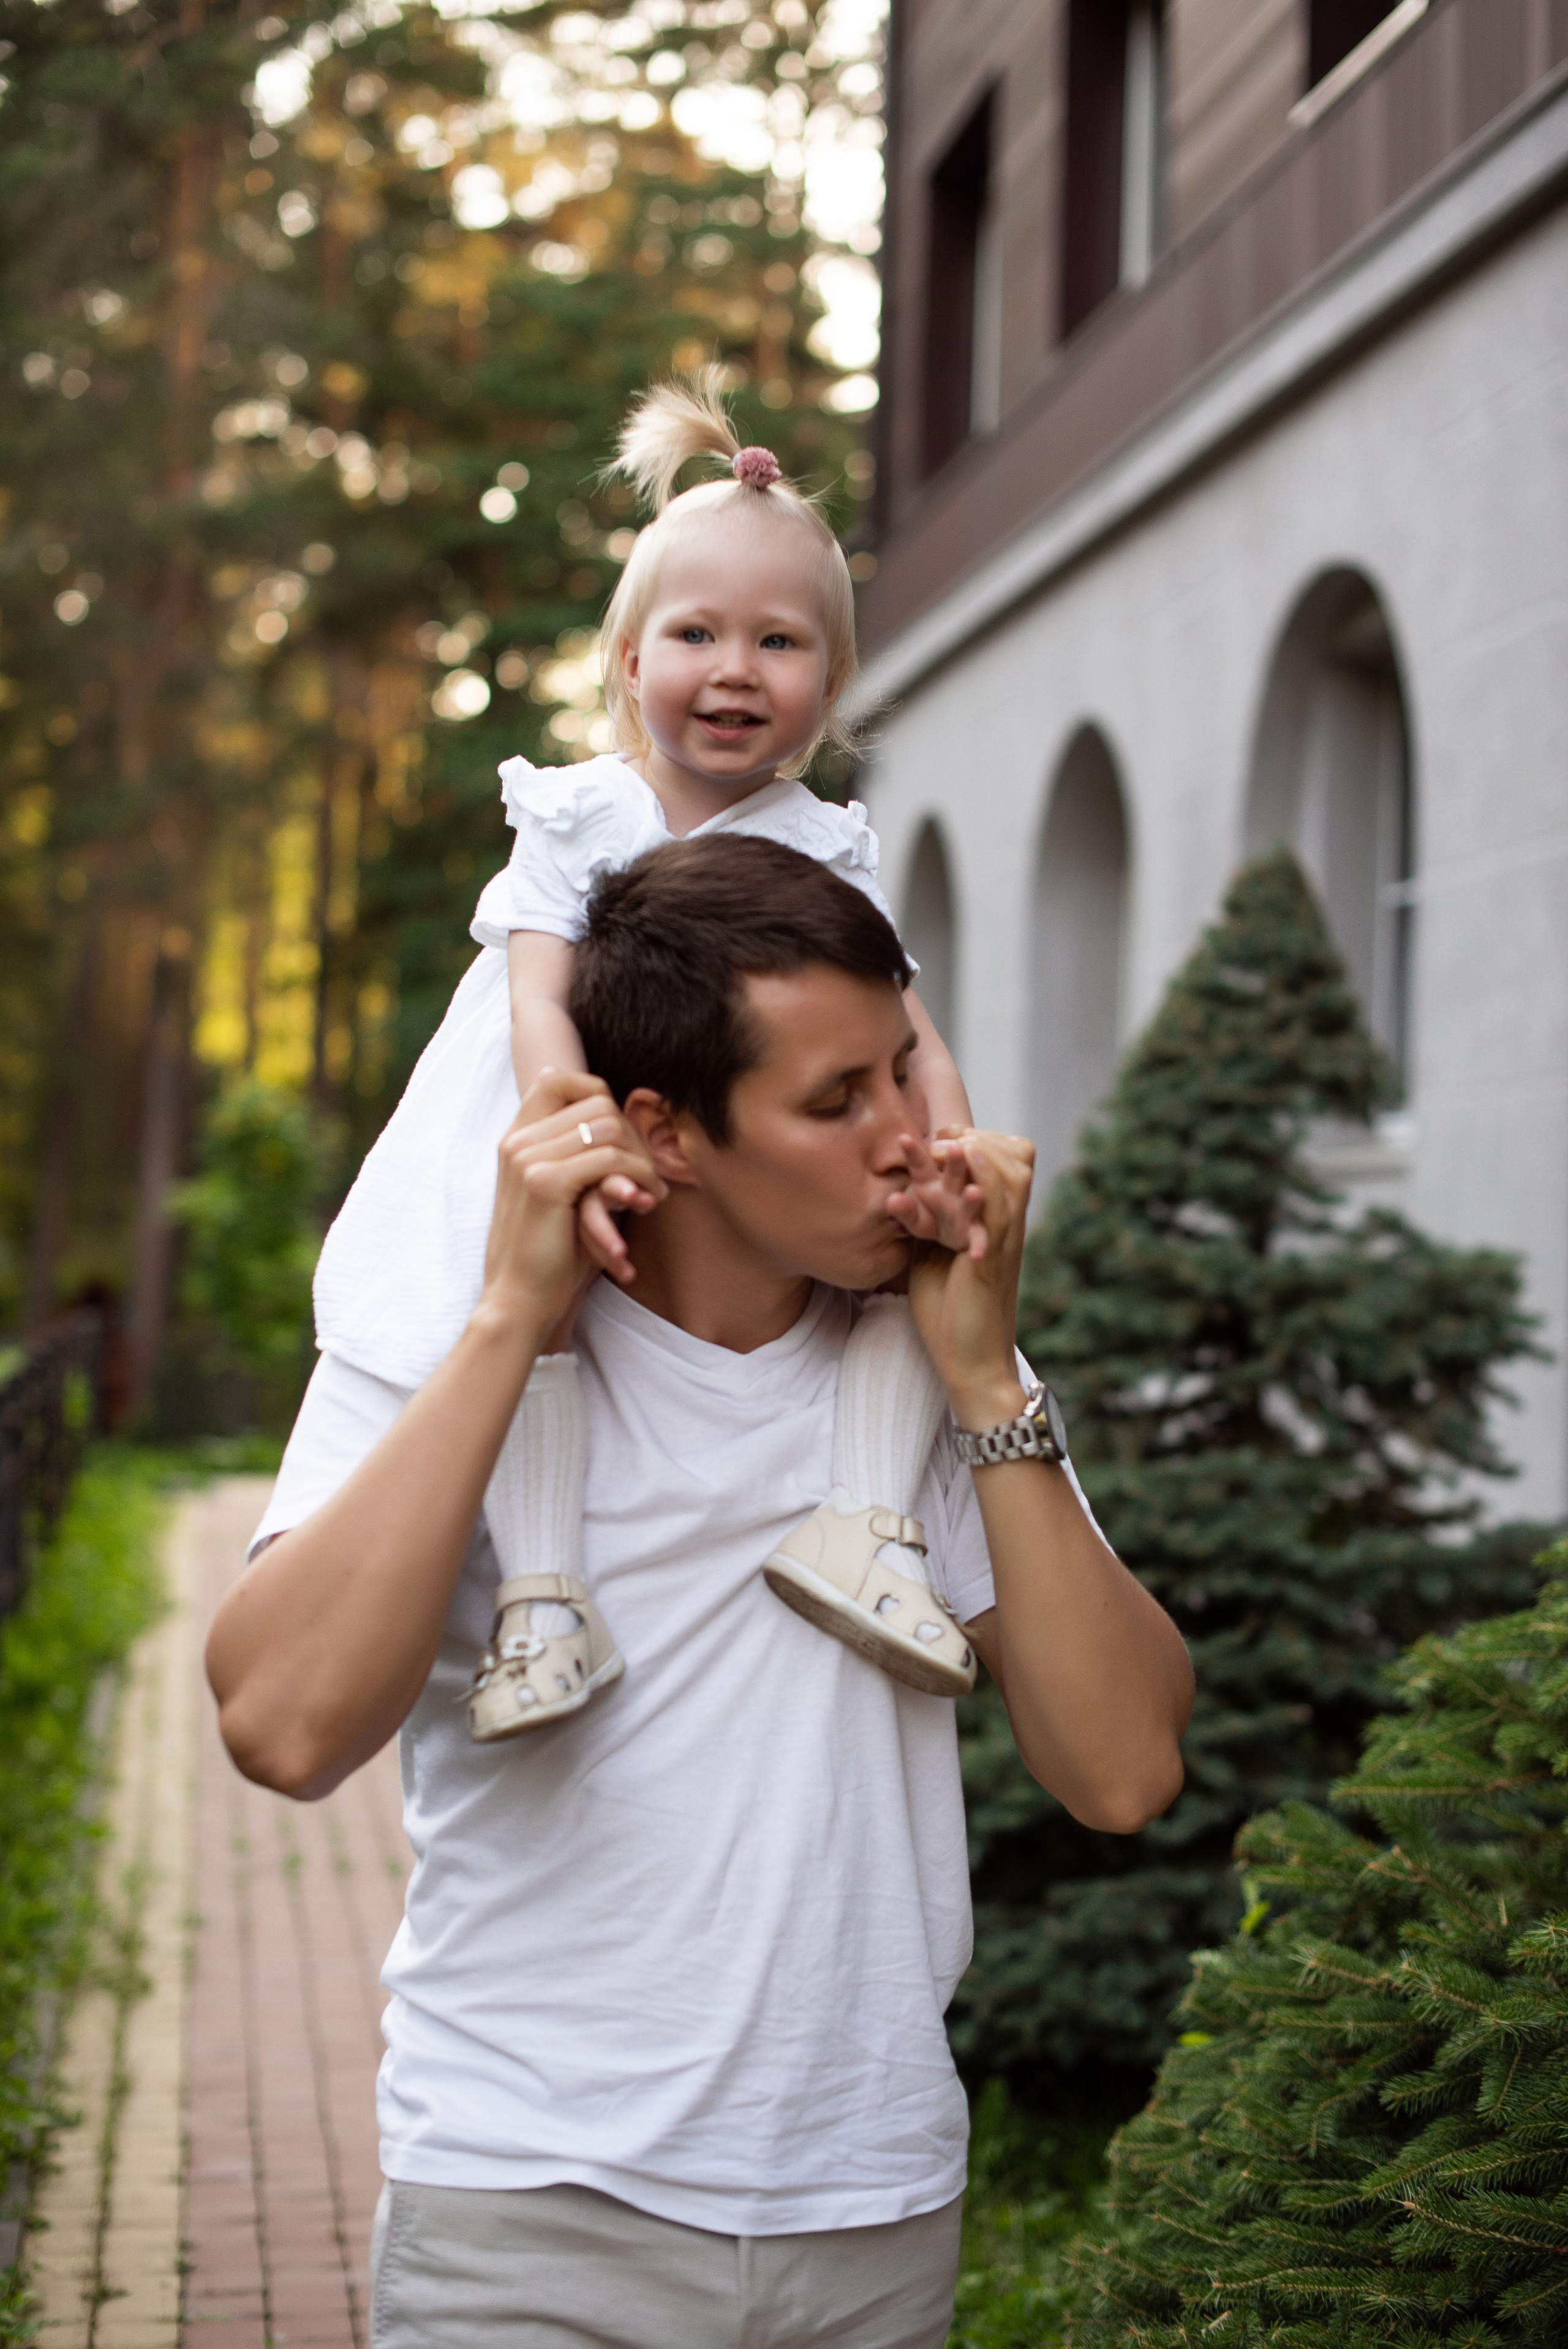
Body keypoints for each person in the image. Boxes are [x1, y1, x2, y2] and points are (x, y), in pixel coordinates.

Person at [208, 835, 1194, 2349]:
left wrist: (988, 1374)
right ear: (662, 1133)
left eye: (900, 1076)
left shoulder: (928, 1362)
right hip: (527, 2216)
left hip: (868, 2219)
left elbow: (1122, 1767)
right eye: (833, 1100)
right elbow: (281, 1726)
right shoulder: (444, 1347)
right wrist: (505, 1323)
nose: (909, 1142)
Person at [312, 372, 986, 1741]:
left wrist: (946, 1153)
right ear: (629, 664)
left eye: (779, 642)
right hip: (571, 1120)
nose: (735, 668)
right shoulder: (582, 812)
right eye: (695, 633)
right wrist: (573, 1127)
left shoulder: (823, 844)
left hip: (753, 1167)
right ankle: (542, 1596)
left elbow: (905, 1031)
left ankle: (864, 1526)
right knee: (542, 1314)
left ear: (831, 683)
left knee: (895, 1289)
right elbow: (535, 993)